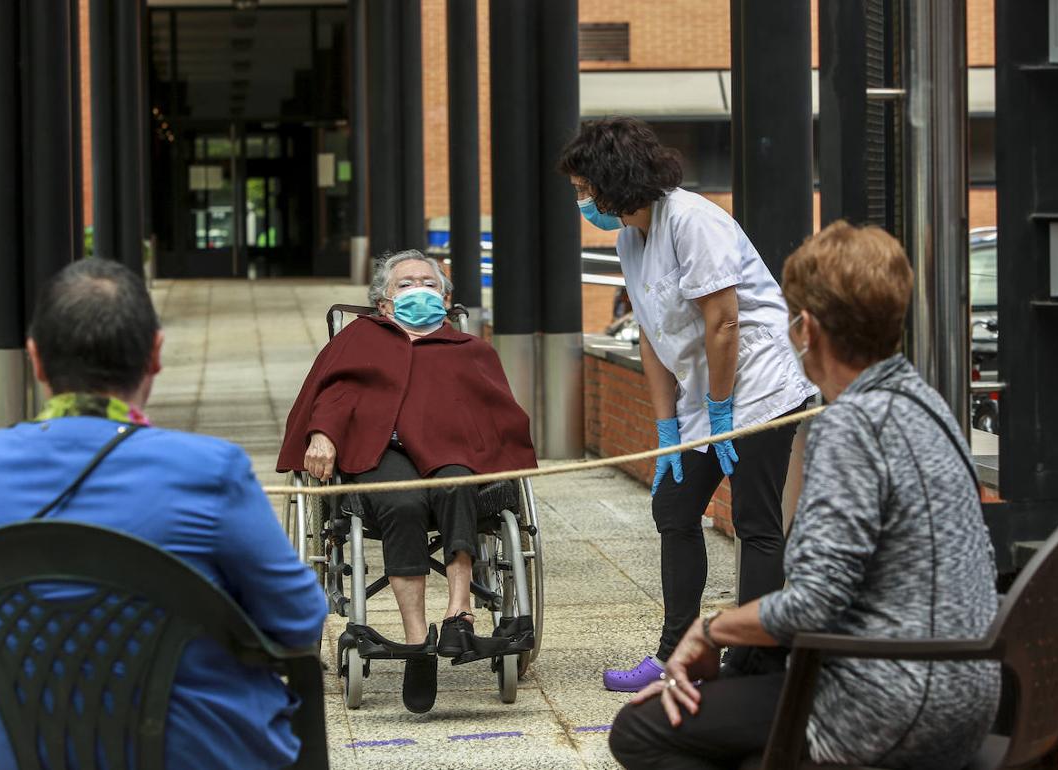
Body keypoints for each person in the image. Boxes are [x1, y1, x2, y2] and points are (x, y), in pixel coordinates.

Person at [608, 222, 1001, 769]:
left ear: (807, 329)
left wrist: (711, 628)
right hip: (965, 691)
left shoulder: (852, 426)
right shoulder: (927, 404)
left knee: (639, 730)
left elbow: (814, 602)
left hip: (886, 702)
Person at [0, 259, 326, 770]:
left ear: (36, 360)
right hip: (198, 753)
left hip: (28, 752)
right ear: (155, 355)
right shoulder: (209, 470)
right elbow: (299, 617)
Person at [559, 117, 819, 690]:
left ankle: (756, 662)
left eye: (583, 189)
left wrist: (723, 410)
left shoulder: (692, 220)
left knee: (755, 521)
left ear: (613, 179)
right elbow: (651, 335)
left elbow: (724, 323)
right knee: (674, 510)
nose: (581, 200)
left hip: (760, 385)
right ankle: (676, 650)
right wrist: (666, 426)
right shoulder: (631, 236)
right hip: (707, 395)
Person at [277, 249, 537, 714]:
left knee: (458, 482)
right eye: (405, 283)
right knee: (402, 502)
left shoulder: (470, 350)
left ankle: (459, 613)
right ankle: (418, 642)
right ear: (383, 303)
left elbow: (500, 416)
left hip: (452, 454)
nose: (419, 289)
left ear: (445, 296)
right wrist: (321, 434)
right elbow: (333, 395)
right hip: (381, 451)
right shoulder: (360, 340)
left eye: (428, 282)